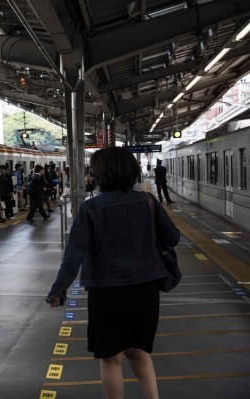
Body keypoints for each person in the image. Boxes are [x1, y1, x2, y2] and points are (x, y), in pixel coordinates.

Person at [46, 147, 180, 399]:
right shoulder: (147, 201)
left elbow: (73, 254)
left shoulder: (91, 208)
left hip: (106, 291)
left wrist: (58, 290)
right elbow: (173, 237)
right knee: (139, 352)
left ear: (100, 175)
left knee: (111, 358)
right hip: (145, 288)